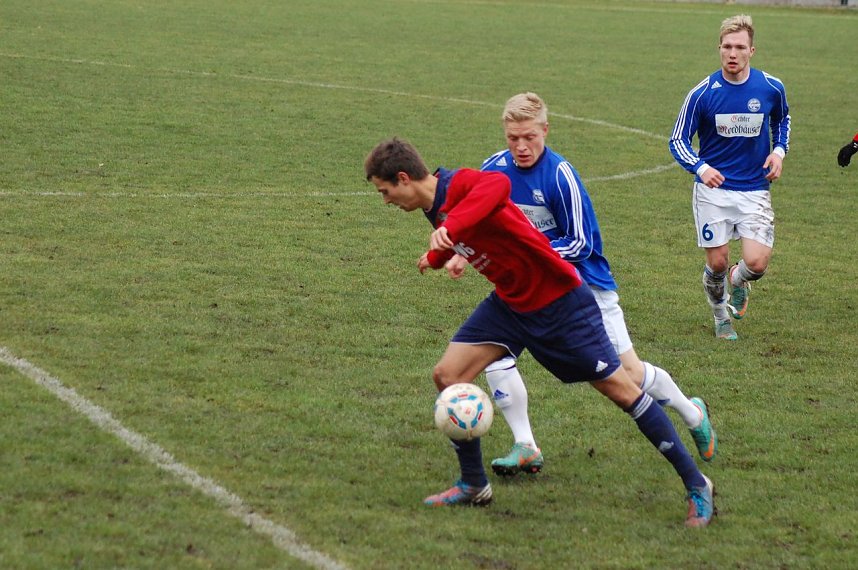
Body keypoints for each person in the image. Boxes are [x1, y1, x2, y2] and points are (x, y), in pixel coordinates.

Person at [364, 137, 715, 527]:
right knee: (448, 375)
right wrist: (437, 255)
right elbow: (469, 234)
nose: (386, 201)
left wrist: (449, 230)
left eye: (385, 192)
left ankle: (697, 483)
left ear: (403, 178)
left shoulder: (461, 183)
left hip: (560, 303)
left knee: (622, 390)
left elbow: (496, 188)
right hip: (511, 303)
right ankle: (474, 484)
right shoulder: (434, 209)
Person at [467, 92, 716, 478]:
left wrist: (528, 253)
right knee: (495, 354)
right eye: (513, 137)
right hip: (527, 288)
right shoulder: (493, 170)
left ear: (545, 130)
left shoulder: (560, 176)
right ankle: (526, 445)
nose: (521, 146)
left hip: (586, 288)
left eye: (529, 137)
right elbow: (478, 218)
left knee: (627, 375)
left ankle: (690, 410)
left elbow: (580, 243)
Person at [669, 14, 791, 341]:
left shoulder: (770, 87)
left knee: (758, 263)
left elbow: (782, 122)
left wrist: (778, 152)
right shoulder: (703, 93)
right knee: (718, 263)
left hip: (755, 188)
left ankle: (740, 280)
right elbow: (678, 140)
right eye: (727, 46)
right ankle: (721, 315)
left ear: (752, 50)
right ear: (719, 49)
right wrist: (701, 168)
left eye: (739, 47)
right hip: (714, 192)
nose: (732, 53)